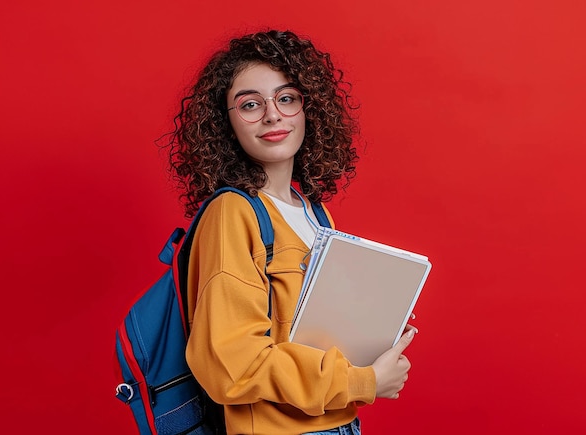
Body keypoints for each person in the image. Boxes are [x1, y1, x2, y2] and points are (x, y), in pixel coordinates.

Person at [163, 29, 417, 435]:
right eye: (250, 104)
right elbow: (231, 365)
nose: (272, 115)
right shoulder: (233, 213)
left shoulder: (316, 215)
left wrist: (373, 328)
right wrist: (362, 382)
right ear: (224, 124)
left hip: (340, 424)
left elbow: (309, 339)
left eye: (286, 98)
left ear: (307, 108)